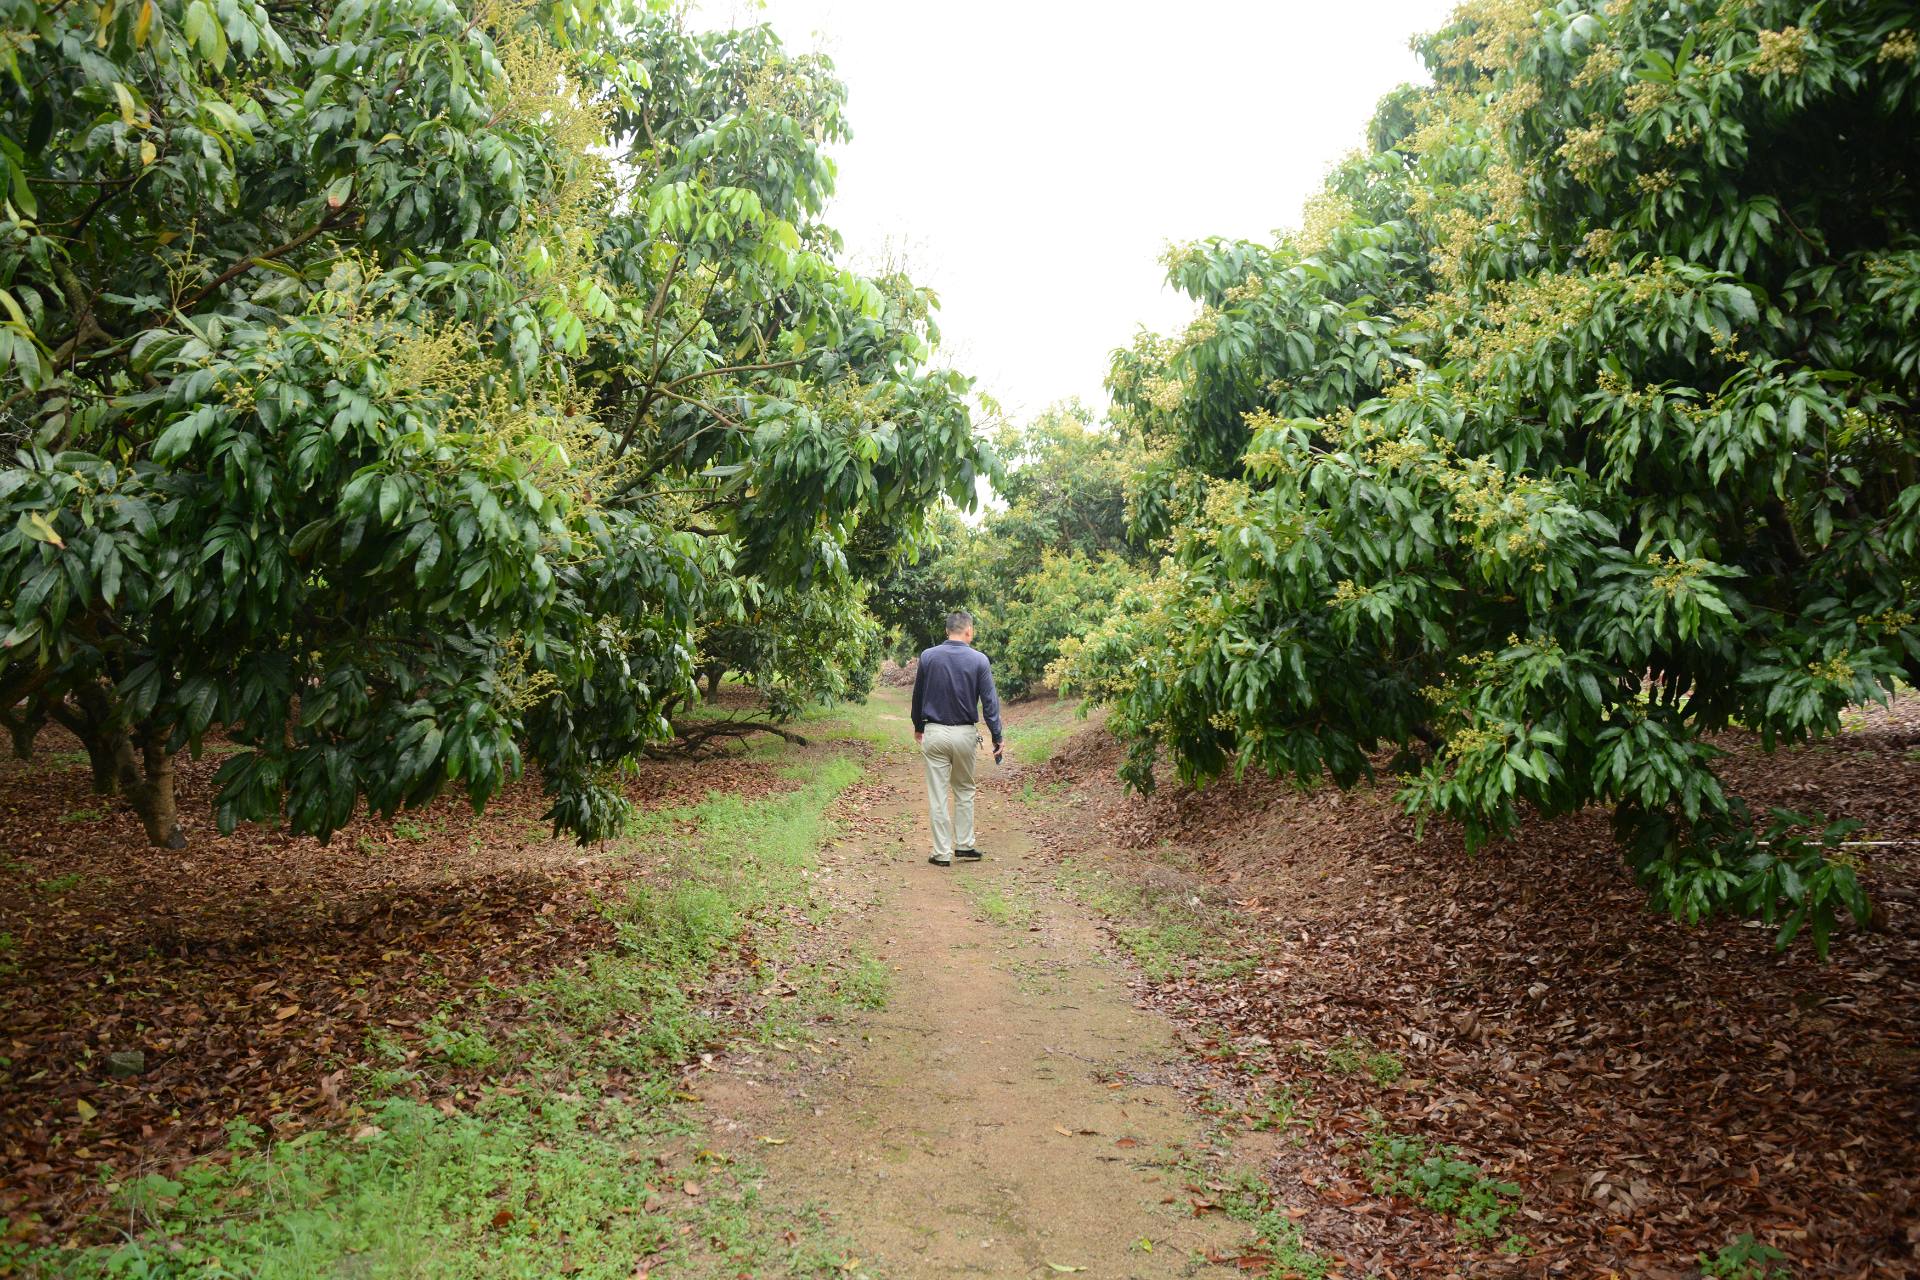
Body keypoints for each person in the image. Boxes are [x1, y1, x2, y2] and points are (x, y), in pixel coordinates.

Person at [909, 610, 1004, 867]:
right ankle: (964, 845)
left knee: (938, 794)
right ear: (969, 631)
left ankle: (941, 853)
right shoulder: (979, 660)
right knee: (964, 789)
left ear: (946, 631)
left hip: (935, 732)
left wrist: (919, 726)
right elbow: (990, 703)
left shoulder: (928, 657)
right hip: (964, 733)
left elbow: (918, 696)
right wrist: (997, 736)